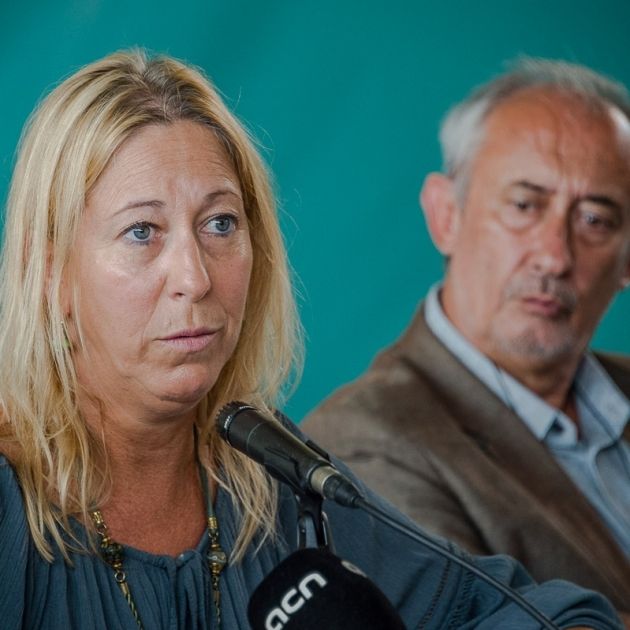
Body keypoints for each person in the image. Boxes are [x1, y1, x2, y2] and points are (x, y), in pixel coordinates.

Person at [0, 50, 621, 630]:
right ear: (48, 272)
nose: (195, 277)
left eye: (220, 223)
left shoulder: (267, 477)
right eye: (142, 231)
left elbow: (520, 611)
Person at [304, 57, 630, 619]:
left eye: (595, 220)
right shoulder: (360, 446)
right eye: (524, 205)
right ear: (446, 215)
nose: (555, 255)